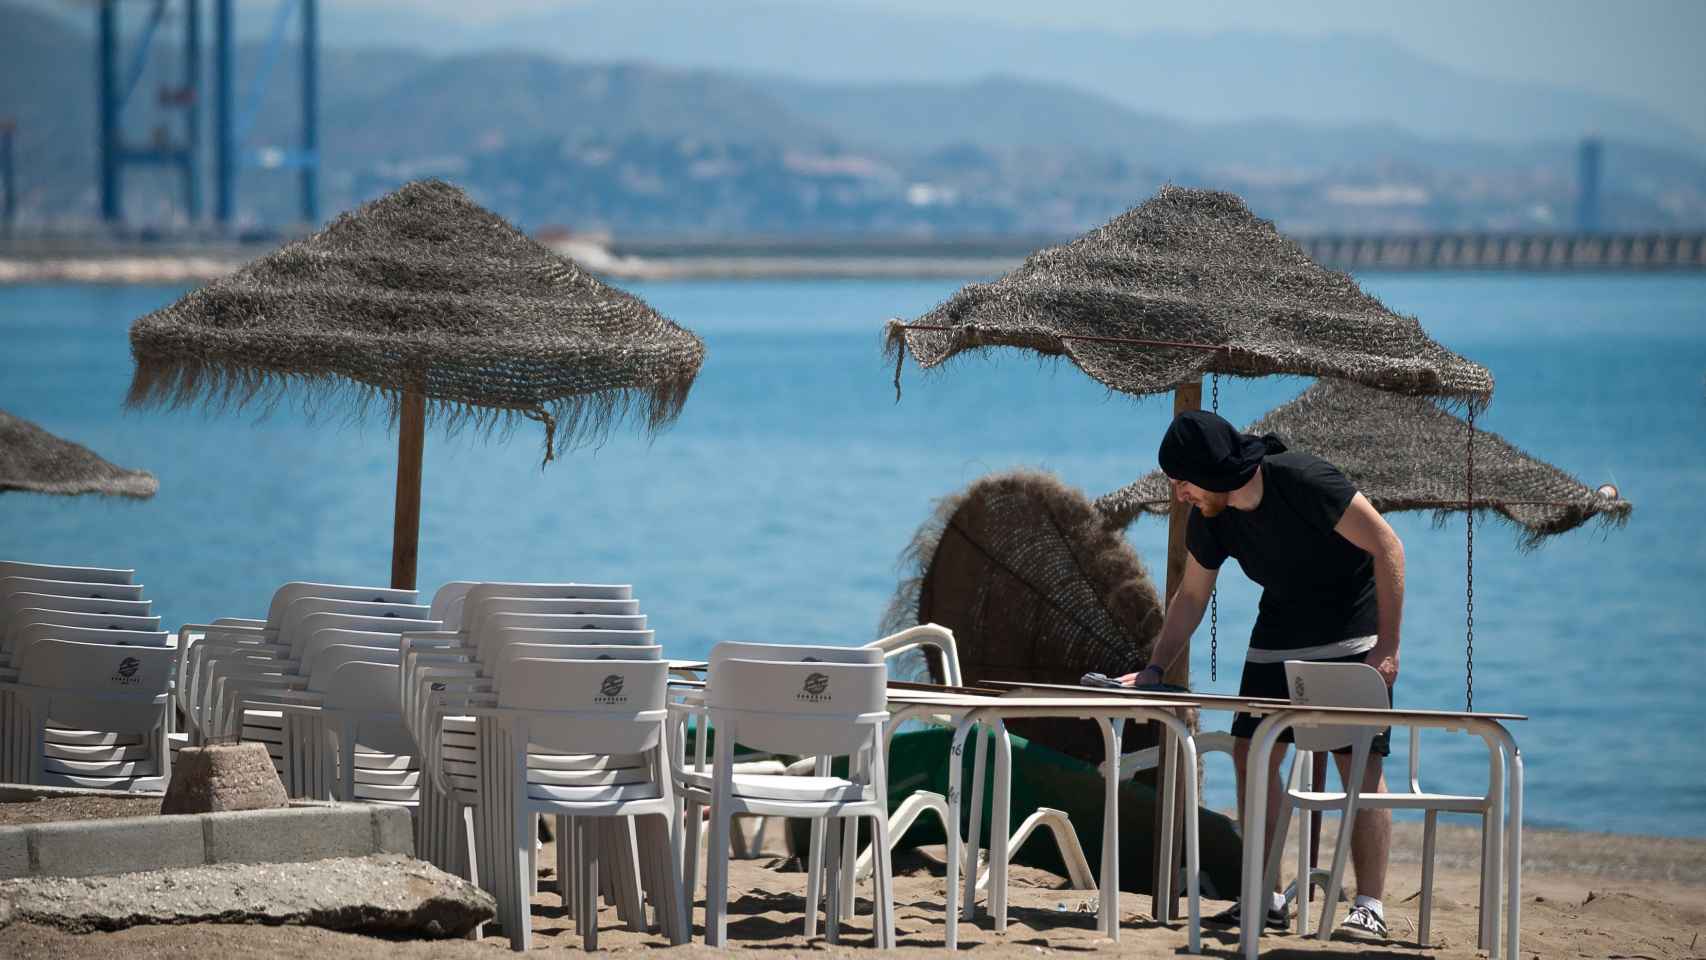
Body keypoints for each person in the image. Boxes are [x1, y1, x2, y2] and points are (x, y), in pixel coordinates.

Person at [1119, 410, 1405, 942]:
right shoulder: (1211, 518)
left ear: (1211, 470)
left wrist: (1387, 648)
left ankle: (1369, 905)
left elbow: (1387, 546)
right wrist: (1154, 667)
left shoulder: (1302, 480)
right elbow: (1191, 596)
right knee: (1251, 754)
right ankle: (1267, 896)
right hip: (1276, 637)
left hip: (1351, 635)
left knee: (1356, 764)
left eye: (1182, 482)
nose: (1179, 495)